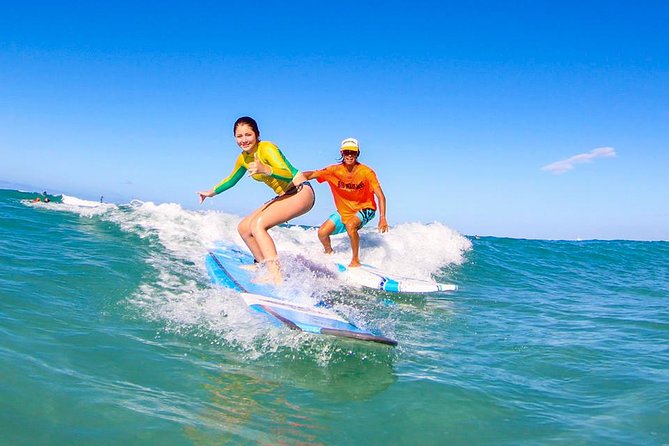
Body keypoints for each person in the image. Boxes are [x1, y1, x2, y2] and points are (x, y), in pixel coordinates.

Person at [197, 116, 315, 284]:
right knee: (244, 227)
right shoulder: (243, 158)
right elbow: (231, 180)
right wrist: (210, 192)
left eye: (248, 135)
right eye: (239, 136)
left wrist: (266, 169)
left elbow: (287, 173)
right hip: (285, 195)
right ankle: (261, 264)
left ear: (257, 135)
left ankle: (276, 276)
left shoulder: (267, 148)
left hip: (301, 191)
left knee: (258, 225)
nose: (244, 140)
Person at [303, 137, 388, 267]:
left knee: (350, 225)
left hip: (367, 208)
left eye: (353, 152)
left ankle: (355, 260)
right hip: (345, 211)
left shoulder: (366, 172)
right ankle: (329, 254)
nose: (349, 155)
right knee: (322, 233)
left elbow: (381, 196)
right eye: (346, 151)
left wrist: (382, 218)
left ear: (357, 153)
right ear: (342, 153)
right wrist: (296, 177)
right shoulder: (333, 171)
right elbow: (313, 174)